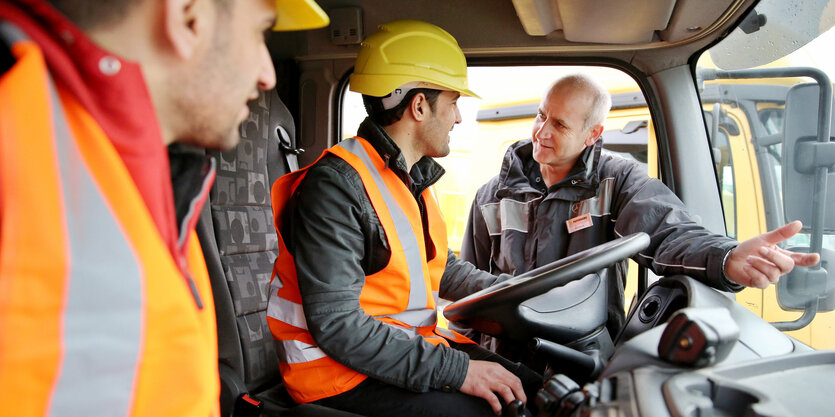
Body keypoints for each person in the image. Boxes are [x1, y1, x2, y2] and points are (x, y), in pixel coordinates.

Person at [0, 0, 328, 416]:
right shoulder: (20, 143)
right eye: (259, 33)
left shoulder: (150, 168)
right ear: (188, 17)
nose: (267, 74)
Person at [267, 20, 541, 417]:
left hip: (395, 353)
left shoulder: (408, 177)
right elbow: (339, 326)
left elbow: (438, 268)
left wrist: (519, 290)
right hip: (334, 377)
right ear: (418, 106)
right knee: (502, 410)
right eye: (453, 102)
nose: (458, 118)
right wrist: (458, 371)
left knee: (535, 390)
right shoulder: (336, 187)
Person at [460, 74, 821, 344]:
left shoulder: (616, 182)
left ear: (593, 134)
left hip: (583, 354)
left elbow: (667, 230)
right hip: (502, 359)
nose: (541, 132)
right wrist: (468, 362)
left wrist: (726, 258)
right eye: (541, 116)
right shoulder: (492, 196)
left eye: (559, 124)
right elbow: (465, 291)